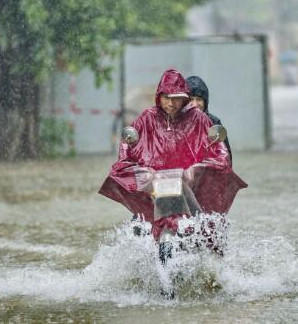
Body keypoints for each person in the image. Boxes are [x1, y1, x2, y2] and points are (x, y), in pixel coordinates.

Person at [99, 69, 246, 239]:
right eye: (166, 98)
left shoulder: (203, 121)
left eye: (177, 98)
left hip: (192, 186)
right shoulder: (147, 118)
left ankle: (201, 231)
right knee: (138, 229)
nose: (171, 103)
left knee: (209, 230)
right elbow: (128, 148)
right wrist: (143, 171)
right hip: (158, 187)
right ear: (159, 97)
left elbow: (222, 157)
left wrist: (198, 169)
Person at [186, 76, 232, 162]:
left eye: (199, 99)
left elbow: (225, 157)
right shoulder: (177, 123)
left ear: (205, 102)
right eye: (191, 99)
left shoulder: (213, 123)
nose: (195, 104)